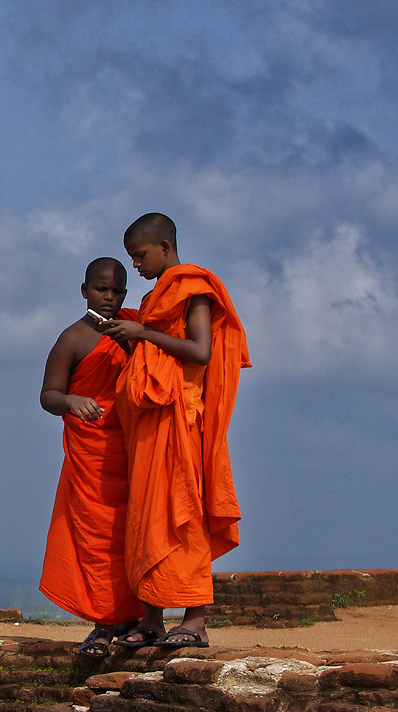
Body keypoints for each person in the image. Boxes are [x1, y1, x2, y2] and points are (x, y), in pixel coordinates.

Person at [98, 212, 250, 649]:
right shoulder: (154, 298)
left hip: (181, 422)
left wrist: (143, 333)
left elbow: (199, 351)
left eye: (140, 255)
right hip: (151, 423)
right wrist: (132, 339)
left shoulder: (193, 288)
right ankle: (152, 620)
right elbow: (156, 355)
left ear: (164, 247)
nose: (136, 265)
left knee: (183, 518)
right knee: (148, 521)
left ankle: (196, 621)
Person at [38, 257, 144, 656]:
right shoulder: (73, 338)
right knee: (97, 539)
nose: (110, 297)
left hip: (134, 449)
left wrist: (136, 341)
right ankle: (102, 624)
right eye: (102, 289)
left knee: (135, 533)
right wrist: (71, 400)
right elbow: (48, 395)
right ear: (85, 291)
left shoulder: (135, 330)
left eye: (117, 291)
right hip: (93, 457)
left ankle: (137, 619)